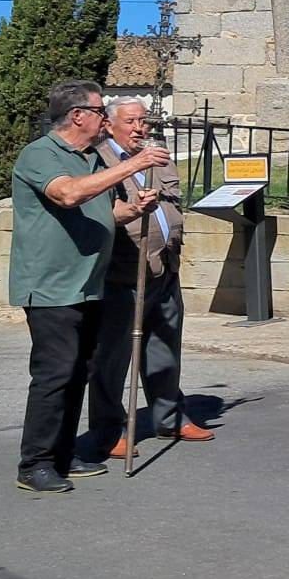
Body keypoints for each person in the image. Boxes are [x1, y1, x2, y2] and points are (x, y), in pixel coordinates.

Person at [8, 79, 167, 494]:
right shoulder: (41, 154)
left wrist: (134, 208)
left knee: (79, 371)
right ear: (78, 115)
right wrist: (132, 164)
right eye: (99, 111)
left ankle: (62, 454)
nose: (103, 118)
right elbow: (67, 195)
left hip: (88, 285)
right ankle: (35, 463)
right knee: (55, 374)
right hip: (51, 287)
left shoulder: (89, 158)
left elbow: (106, 209)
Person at [89, 95, 208, 455]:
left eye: (144, 122)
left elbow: (172, 202)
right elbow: (106, 211)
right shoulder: (101, 161)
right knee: (114, 355)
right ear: (109, 125)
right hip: (124, 271)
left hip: (164, 267)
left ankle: (170, 417)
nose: (141, 129)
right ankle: (110, 431)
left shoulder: (158, 156)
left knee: (165, 347)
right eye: (132, 122)